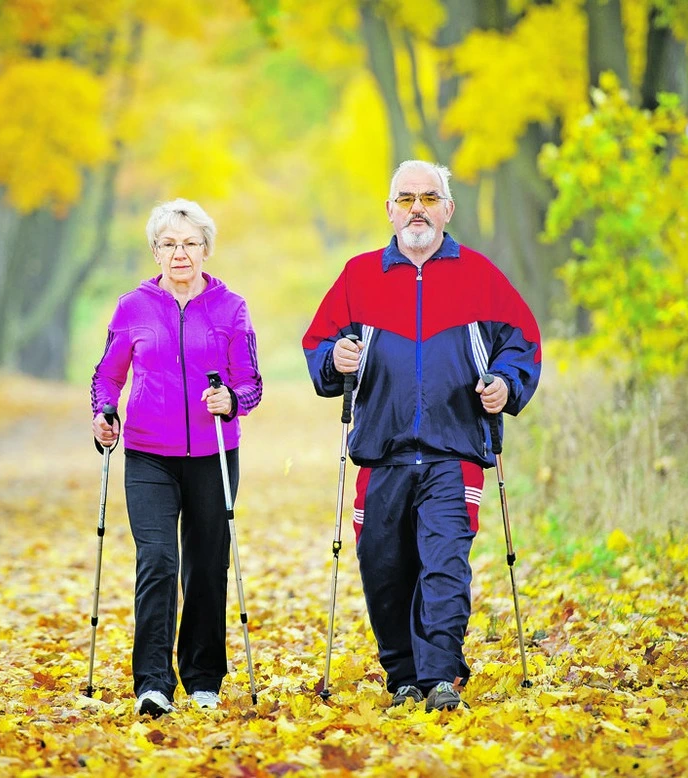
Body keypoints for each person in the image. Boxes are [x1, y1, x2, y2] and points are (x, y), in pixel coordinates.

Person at [301, 160, 542, 712]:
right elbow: (319, 346)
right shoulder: (359, 276)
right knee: (383, 566)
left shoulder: (479, 275)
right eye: (406, 198)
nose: (417, 208)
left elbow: (522, 340)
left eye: (429, 198)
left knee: (444, 562)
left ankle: (439, 678)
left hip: (454, 449)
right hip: (379, 452)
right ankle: (403, 674)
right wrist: (335, 359)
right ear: (389, 211)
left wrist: (506, 383)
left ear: (447, 210)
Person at [91, 198, 263, 717]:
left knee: (208, 566)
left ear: (206, 249)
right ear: (156, 251)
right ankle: (152, 682)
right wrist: (104, 411)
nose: (180, 253)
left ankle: (204, 675)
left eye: (189, 243)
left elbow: (251, 383)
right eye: (169, 244)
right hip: (148, 454)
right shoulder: (132, 307)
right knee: (159, 562)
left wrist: (231, 400)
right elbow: (109, 374)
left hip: (213, 452)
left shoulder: (231, 308)